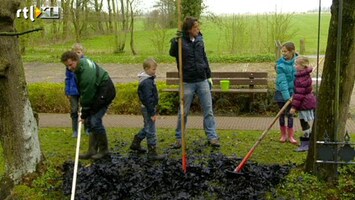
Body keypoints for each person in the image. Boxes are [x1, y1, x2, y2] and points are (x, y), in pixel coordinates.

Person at [169, 16, 220, 148]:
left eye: (198, 27)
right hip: (187, 81)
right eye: (196, 27)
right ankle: (179, 138)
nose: (198, 29)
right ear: (189, 29)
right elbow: (172, 53)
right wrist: (175, 41)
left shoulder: (200, 39)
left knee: (208, 110)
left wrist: (208, 75)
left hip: (202, 79)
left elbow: (204, 57)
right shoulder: (180, 42)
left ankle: (212, 137)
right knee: (183, 112)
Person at [61, 51, 116, 160]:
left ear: (76, 60)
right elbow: (83, 90)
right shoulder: (80, 65)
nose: (69, 68)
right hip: (97, 90)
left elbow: (87, 95)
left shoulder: (86, 73)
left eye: (71, 64)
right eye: (67, 66)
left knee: (95, 121)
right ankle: (92, 150)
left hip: (105, 91)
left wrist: (84, 114)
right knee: (91, 120)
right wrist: (86, 114)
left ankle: (104, 150)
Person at [129, 58, 165, 160]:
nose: (155, 71)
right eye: (153, 69)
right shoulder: (146, 83)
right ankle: (152, 152)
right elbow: (148, 99)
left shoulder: (149, 80)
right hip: (148, 109)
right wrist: (152, 113)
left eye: (155, 69)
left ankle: (136, 142)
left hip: (148, 108)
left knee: (147, 127)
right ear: (146, 69)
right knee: (151, 130)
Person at [289, 56, 316, 151]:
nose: (295, 66)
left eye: (297, 64)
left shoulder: (301, 79)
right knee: (304, 122)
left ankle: (307, 143)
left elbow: (300, 94)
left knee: (303, 122)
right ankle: (308, 142)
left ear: (303, 66)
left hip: (305, 103)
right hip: (307, 100)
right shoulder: (303, 75)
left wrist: (293, 107)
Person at [65, 43, 91, 138]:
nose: (77, 54)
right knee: (74, 110)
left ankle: (87, 128)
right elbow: (67, 78)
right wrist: (67, 91)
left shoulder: (86, 62)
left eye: (78, 52)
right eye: (74, 52)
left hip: (83, 89)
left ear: (82, 52)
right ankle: (75, 130)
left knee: (85, 109)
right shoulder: (69, 64)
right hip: (73, 91)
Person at [274, 41, 298, 145]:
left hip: (293, 93)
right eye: (282, 51)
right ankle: (283, 135)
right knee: (282, 114)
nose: (283, 53)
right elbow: (282, 81)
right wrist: (287, 97)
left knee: (291, 114)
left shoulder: (298, 62)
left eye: (286, 51)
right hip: (281, 92)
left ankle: (291, 136)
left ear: (292, 51)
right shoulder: (280, 65)